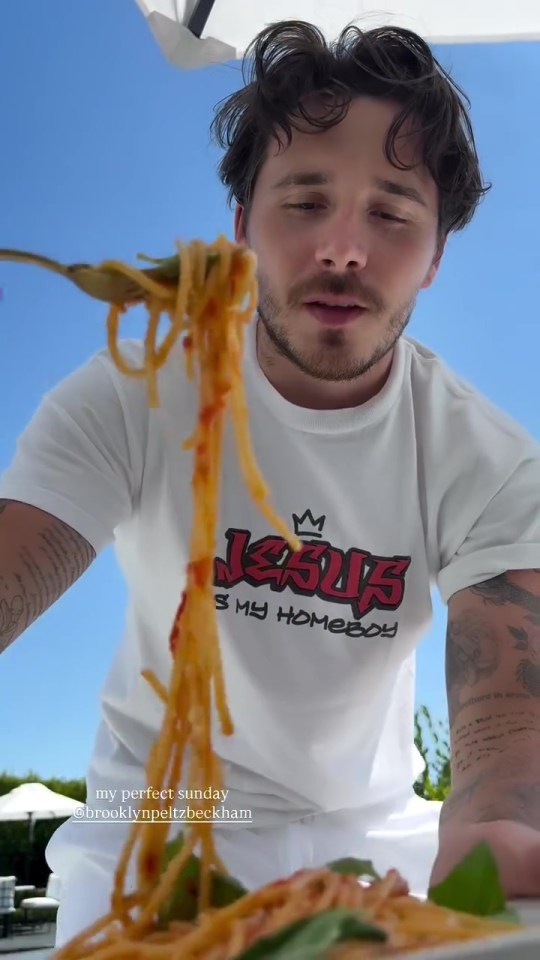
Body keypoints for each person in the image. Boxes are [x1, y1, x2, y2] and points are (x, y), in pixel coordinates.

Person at [2, 18, 540, 945]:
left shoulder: (482, 453)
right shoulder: (132, 393)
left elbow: (508, 692)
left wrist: (499, 828)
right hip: (149, 843)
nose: (343, 249)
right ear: (242, 226)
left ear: (437, 254)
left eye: (391, 213)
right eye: (305, 201)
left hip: (377, 850)